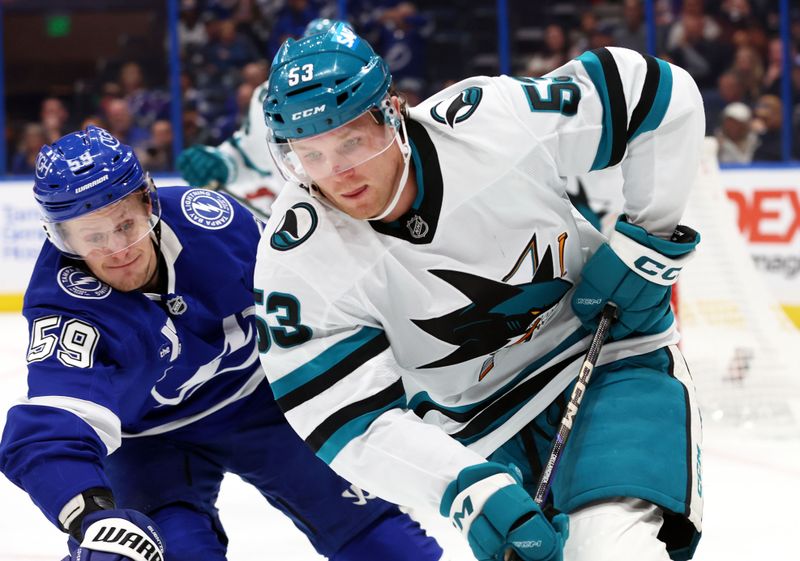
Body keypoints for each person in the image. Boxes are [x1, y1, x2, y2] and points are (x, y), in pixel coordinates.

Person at [255, 24, 705, 561]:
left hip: (609, 357)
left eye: (351, 140)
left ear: (393, 113)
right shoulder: (297, 260)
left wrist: (648, 244)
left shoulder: (491, 124)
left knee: (608, 550)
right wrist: (461, 486)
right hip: (478, 431)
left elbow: (657, 93)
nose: (338, 174)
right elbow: (342, 418)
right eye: (312, 154)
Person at [0, 125, 446, 561]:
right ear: (63, 239)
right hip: (149, 444)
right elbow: (52, 424)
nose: (118, 250)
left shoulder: (213, 223)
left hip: (264, 404)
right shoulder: (65, 304)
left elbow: (319, 294)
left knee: (386, 543)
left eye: (125, 225)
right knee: (163, 551)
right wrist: (90, 515)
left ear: (148, 203)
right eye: (93, 238)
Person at [177, 18, 342, 219]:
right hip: (306, 222)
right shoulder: (269, 95)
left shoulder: (372, 91)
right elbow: (252, 155)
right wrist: (221, 164)